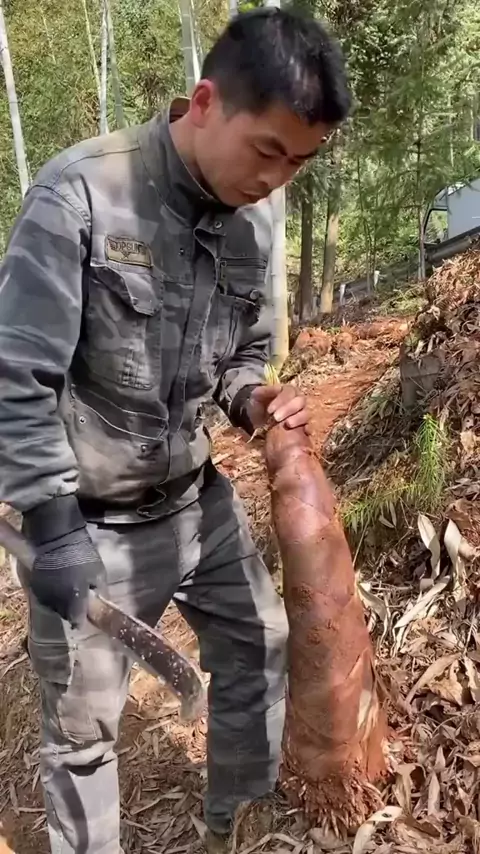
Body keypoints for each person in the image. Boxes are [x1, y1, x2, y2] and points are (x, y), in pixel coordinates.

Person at [0, 7, 351, 853]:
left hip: (198, 502)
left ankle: (238, 823)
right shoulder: (83, 195)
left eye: (297, 163)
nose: (275, 179)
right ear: (204, 103)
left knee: (260, 646)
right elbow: (15, 374)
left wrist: (255, 401)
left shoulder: (250, 227)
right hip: (91, 520)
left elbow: (239, 360)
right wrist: (51, 525)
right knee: (84, 731)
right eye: (266, 150)